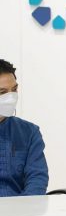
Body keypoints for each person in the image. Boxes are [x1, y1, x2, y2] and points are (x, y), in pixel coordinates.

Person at [0, 59, 48, 196]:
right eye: (2, 92)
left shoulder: (29, 132)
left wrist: (23, 206)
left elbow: (37, 178)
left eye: (14, 90)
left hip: (19, 207)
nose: (11, 97)